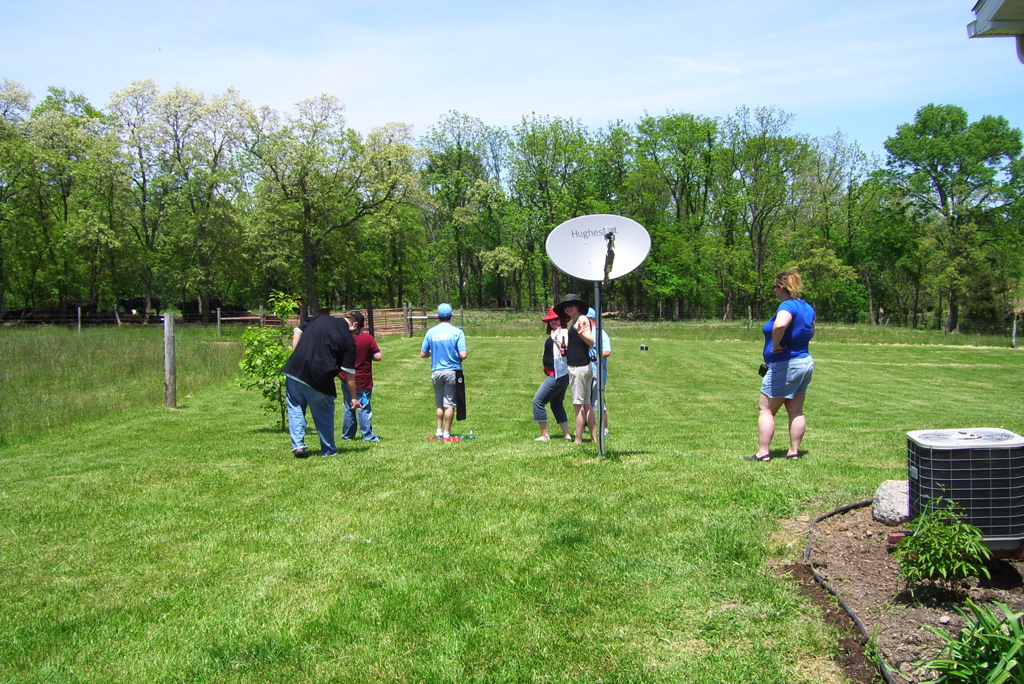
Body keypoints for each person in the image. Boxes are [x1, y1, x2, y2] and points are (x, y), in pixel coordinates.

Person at [747, 270, 816, 462]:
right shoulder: (807, 307)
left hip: (785, 364)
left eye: (774, 287)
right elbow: (811, 331)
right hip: (804, 362)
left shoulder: (787, 305)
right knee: (796, 410)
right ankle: (793, 452)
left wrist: (776, 345)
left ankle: (763, 453)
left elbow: (780, 325)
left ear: (781, 287)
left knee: (766, 409)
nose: (774, 291)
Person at [281, 313, 360, 458]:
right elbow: (349, 373)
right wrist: (354, 397)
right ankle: (328, 450)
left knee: (295, 409)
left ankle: (298, 446)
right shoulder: (348, 339)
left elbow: (297, 331)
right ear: (354, 325)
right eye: (356, 332)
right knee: (323, 414)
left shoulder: (319, 318)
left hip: (294, 371)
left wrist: (297, 355)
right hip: (320, 378)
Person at [420, 303, 467, 441]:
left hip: (436, 371)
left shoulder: (431, 332)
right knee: (450, 403)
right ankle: (447, 433)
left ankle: (438, 431)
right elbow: (463, 354)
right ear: (451, 315)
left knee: (439, 403)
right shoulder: (457, 332)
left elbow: (423, 354)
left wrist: (432, 352)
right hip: (452, 371)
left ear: (438, 316)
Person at [553, 294, 596, 444]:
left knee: (578, 406)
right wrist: (556, 340)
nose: (568, 308)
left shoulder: (582, 319)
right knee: (586, 404)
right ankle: (594, 439)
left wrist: (581, 332)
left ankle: (578, 440)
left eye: (571, 305)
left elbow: (591, 341)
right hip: (583, 366)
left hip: (579, 368)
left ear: (578, 306)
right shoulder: (575, 321)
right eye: (566, 306)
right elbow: (568, 350)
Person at [340, 311, 382, 442]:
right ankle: (367, 435)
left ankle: (348, 435)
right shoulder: (367, 339)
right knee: (364, 407)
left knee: (349, 406)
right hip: (363, 380)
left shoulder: (342, 338)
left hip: (346, 378)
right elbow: (378, 357)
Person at [532, 307, 571, 441]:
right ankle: (566, 435)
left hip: (559, 375)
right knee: (556, 403)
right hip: (558, 374)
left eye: (556, 319)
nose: (553, 322)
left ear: (562, 320)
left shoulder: (563, 334)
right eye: (551, 320)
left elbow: (565, 352)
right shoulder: (554, 333)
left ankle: (545, 435)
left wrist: (555, 340)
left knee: (538, 401)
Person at [587, 308, 611, 436]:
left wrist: (593, 356)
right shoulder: (584, 333)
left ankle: (604, 428)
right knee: (586, 402)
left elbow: (607, 351)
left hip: (597, 374)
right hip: (586, 373)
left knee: (598, 402)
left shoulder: (601, 333)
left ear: (589, 319)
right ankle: (585, 426)